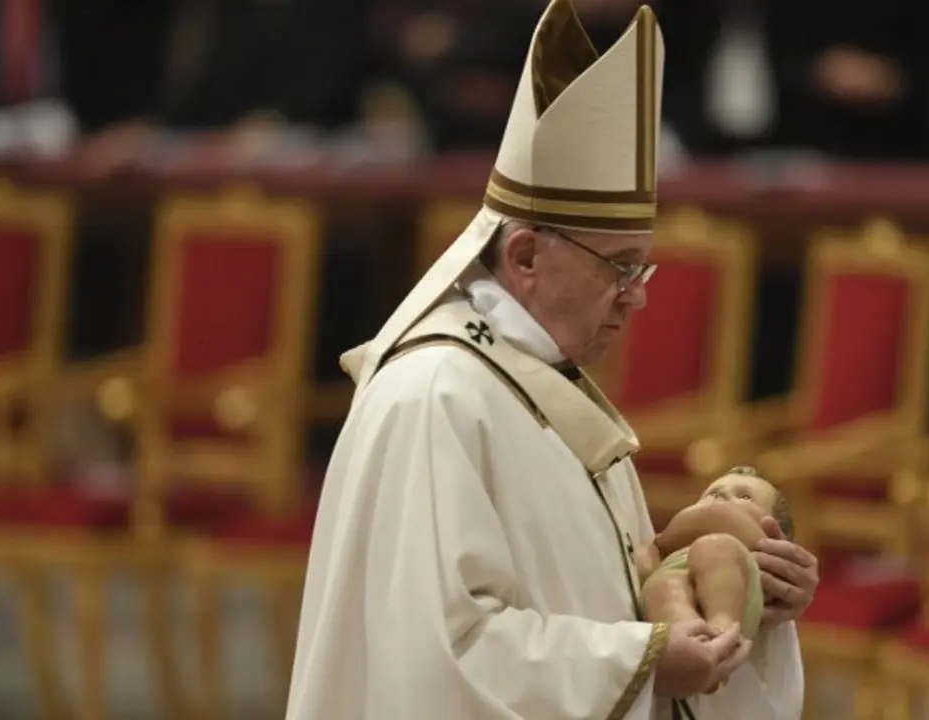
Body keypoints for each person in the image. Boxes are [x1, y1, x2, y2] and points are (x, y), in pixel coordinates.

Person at [284, 1, 818, 719]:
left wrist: (741, 599)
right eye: (619, 269)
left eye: (644, 271)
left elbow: (604, 591)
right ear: (526, 255)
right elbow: (442, 655)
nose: (638, 299)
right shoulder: (434, 397)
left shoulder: (541, 378)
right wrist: (647, 660)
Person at [638, 467, 795, 665]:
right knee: (663, 587)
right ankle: (690, 645)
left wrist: (661, 541)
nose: (721, 495)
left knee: (713, 549)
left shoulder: (755, 545)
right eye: (711, 493)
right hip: (681, 572)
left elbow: (712, 514)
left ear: (774, 532)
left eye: (745, 497)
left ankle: (722, 631)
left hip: (734, 583)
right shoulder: (679, 542)